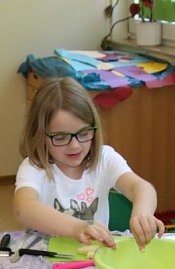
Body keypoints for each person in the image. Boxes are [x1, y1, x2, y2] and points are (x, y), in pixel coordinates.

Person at [13, 76, 164, 249]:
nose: (75, 145)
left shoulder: (104, 158)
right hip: (47, 260)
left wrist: (141, 214)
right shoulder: (34, 167)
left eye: (84, 133)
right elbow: (23, 208)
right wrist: (77, 227)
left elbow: (141, 187)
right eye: (61, 137)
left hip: (93, 260)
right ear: (40, 135)